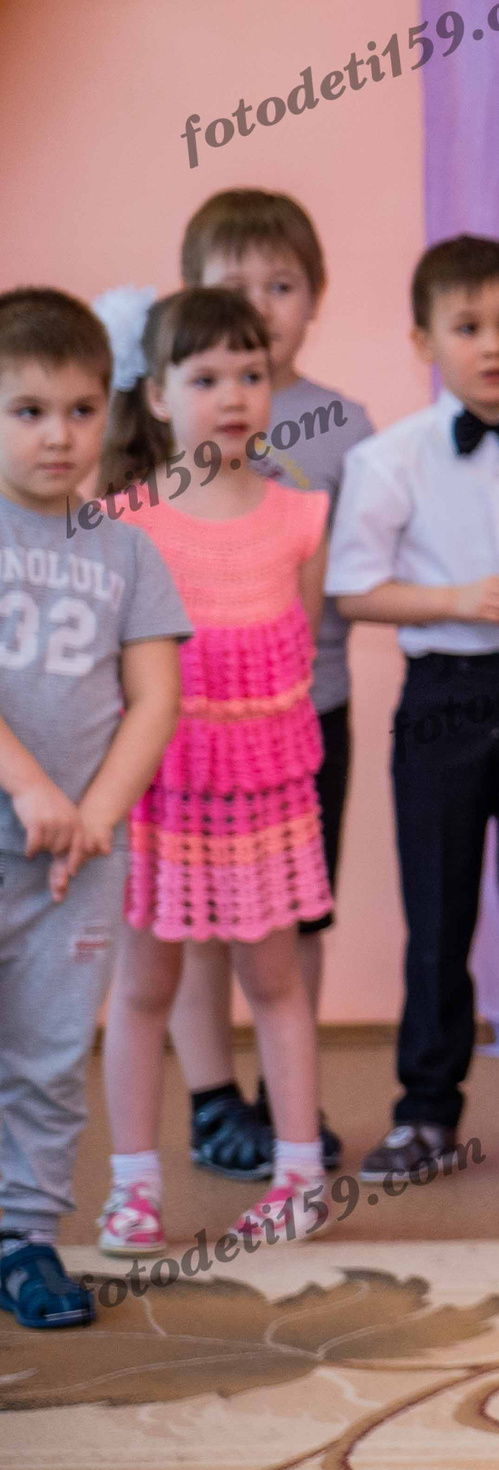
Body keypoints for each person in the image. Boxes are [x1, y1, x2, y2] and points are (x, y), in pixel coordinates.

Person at [328, 236, 499, 1184]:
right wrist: (451, 598)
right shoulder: (389, 458)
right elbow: (353, 588)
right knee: (437, 909)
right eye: (468, 326)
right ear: (423, 338)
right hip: (442, 694)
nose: (492, 345)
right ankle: (426, 1111)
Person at [92, 288, 332, 1250]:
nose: (232, 395)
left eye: (250, 374)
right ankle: (134, 1185)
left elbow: (299, 653)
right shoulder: (123, 521)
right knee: (144, 987)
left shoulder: (299, 516)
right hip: (157, 795)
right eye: (205, 378)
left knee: (276, 982)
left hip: (264, 799)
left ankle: (300, 1174)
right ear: (155, 395)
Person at [162, 188, 376, 1183]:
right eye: (233, 286)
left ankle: (289, 1104)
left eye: (281, 286)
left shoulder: (343, 422)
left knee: (296, 915)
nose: (260, 305)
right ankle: (212, 1100)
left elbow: (350, 567)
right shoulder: (172, 416)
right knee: (197, 923)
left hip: (307, 709)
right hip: (188, 728)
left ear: (315, 299)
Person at [0, 288, 188, 1328]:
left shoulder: (124, 547)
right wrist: (32, 788)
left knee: (47, 1051)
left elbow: (154, 695)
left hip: (76, 856)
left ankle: (25, 1237)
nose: (59, 434)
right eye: (28, 411)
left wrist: (93, 814)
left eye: (80, 409)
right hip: (21, 817)